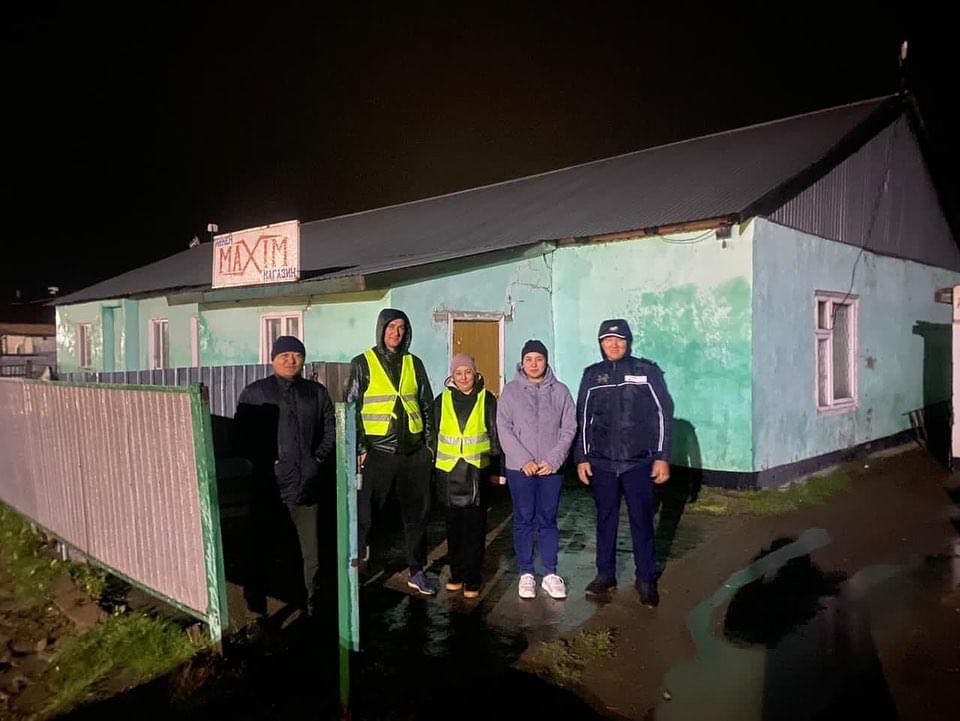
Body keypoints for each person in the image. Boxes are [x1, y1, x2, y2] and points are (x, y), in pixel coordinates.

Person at [575, 319, 674, 607]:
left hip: (638, 462)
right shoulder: (593, 375)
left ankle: (646, 578)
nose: (614, 344)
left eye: (619, 340)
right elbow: (583, 418)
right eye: (608, 340)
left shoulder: (646, 372)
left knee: (641, 520)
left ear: (628, 342)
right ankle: (605, 574)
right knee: (605, 519)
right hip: (602, 463)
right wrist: (581, 457)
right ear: (601, 344)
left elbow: (663, 414)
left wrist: (662, 457)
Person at [236, 335, 336, 617]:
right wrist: (267, 462)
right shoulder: (256, 393)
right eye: (284, 355)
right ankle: (257, 608)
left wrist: (317, 460)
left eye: (296, 355)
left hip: (307, 487)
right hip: (269, 486)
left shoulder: (315, 393)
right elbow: (241, 436)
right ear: (273, 359)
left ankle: (311, 606)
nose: (290, 360)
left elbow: (330, 429)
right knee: (261, 548)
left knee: (310, 555)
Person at [346, 309, 437, 596]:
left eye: (401, 328)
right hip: (377, 452)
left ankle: (417, 570)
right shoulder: (362, 363)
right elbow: (352, 408)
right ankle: (359, 568)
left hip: (413, 453)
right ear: (381, 329)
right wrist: (360, 447)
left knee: (417, 516)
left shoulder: (414, 363)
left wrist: (429, 446)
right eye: (391, 327)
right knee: (366, 515)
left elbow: (426, 404)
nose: (396, 333)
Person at [496, 339, 577, 600]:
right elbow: (503, 428)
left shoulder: (560, 391)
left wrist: (553, 460)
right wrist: (523, 460)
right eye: (529, 359)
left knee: (548, 519)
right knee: (523, 519)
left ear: (546, 361)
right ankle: (526, 573)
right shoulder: (510, 392)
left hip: (550, 469)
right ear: (522, 362)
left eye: (539, 359)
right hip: (521, 469)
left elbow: (569, 428)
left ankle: (550, 573)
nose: (533, 364)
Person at [433, 353, 501, 599]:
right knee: (453, 530)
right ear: (452, 376)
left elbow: (495, 436)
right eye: (458, 373)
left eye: (468, 372)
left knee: (475, 530)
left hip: (476, 473)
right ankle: (457, 573)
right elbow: (433, 434)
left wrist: (498, 471)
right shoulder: (441, 400)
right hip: (449, 473)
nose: (463, 378)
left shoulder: (487, 398)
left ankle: (473, 578)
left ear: (476, 374)